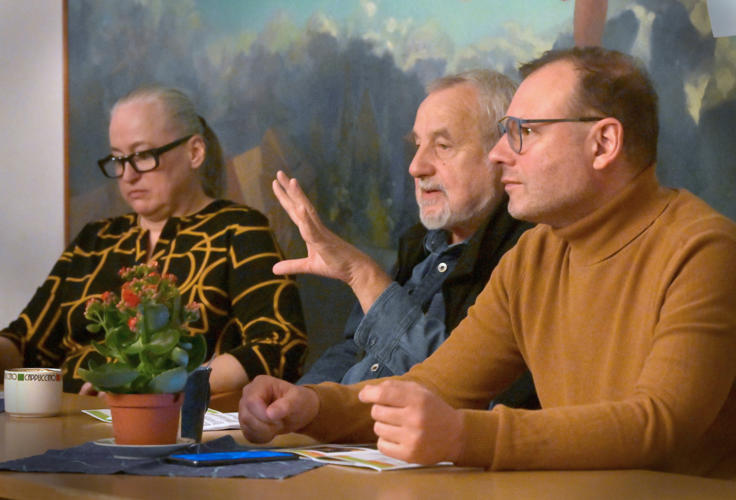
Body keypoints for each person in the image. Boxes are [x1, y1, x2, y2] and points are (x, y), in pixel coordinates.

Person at [237, 47, 736, 478]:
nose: (499, 154)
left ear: (603, 143)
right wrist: (313, 405)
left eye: (523, 132)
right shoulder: (534, 256)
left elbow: (660, 424)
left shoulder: (704, 249)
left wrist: (464, 436)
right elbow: (436, 386)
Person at [0, 85, 307, 394]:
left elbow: (278, 345)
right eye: (118, 159)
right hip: (68, 414)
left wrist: (149, 389)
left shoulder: (239, 230)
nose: (128, 175)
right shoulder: (96, 240)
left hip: (177, 418)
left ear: (194, 152)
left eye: (143, 155)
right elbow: (24, 343)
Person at [273, 69, 534, 407]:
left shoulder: (527, 256)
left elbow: (468, 390)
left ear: (501, 154)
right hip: (342, 432)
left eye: (443, 146)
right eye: (417, 145)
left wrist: (363, 276)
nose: (416, 166)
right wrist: (298, 401)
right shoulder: (419, 244)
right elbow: (353, 349)